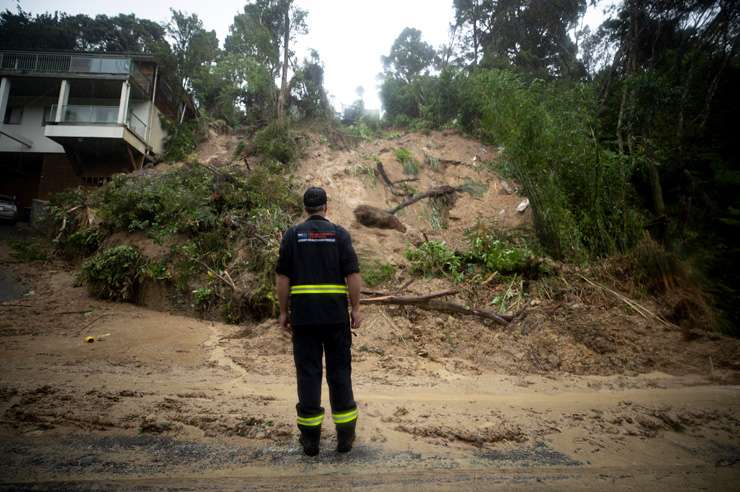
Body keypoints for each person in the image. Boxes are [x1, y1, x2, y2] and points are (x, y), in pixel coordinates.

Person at [275, 186, 362, 456]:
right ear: (326, 206)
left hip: (305, 319)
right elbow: (353, 275)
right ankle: (345, 439)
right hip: (335, 318)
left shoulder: (292, 235)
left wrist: (283, 311)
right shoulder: (339, 234)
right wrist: (356, 308)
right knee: (339, 374)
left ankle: (311, 441)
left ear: (306, 208)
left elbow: (282, 278)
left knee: (309, 375)